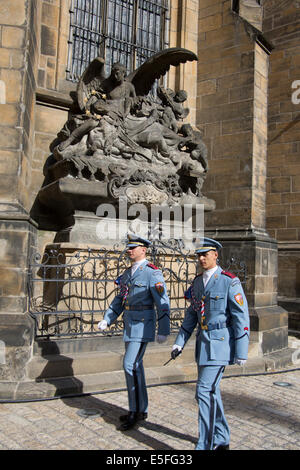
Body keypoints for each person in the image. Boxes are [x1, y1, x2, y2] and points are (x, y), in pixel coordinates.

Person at [171, 237, 250, 450]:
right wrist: (179, 343)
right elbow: (191, 316)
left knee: (203, 391)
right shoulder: (197, 282)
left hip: (220, 345)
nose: (202, 258)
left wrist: (241, 351)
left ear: (216, 254)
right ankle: (222, 436)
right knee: (211, 391)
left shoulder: (228, 281)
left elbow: (241, 316)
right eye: (199, 254)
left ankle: (205, 443)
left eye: (206, 254)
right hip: (203, 345)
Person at [98, 234, 170, 431]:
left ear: (143, 250)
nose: (129, 250)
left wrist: (163, 330)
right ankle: (140, 409)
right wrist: (107, 318)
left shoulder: (152, 273)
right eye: (128, 248)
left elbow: (163, 304)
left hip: (143, 325)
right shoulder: (128, 274)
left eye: (133, 248)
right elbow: (120, 300)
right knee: (136, 367)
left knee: (129, 364)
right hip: (130, 325)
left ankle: (134, 411)